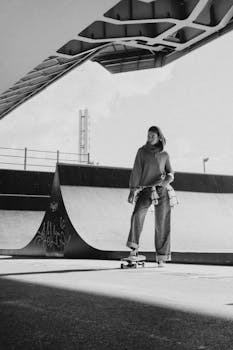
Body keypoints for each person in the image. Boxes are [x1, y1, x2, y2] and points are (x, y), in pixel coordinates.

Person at [126, 126, 175, 267]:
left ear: (159, 137)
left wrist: (168, 180)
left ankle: (162, 256)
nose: (149, 138)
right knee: (137, 215)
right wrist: (132, 190)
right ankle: (134, 250)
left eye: (152, 136)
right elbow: (136, 171)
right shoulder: (142, 152)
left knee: (162, 222)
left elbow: (170, 172)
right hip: (146, 190)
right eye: (148, 136)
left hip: (161, 190)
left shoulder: (164, 155)